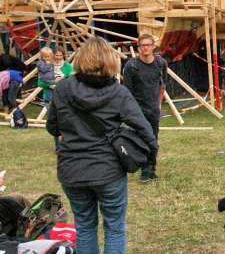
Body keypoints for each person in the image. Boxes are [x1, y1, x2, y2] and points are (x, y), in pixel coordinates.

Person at [47, 36, 157, 254]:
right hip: (108, 171)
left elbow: (52, 127)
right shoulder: (117, 92)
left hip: (72, 168)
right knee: (114, 227)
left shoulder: (63, 88)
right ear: (110, 60)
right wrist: (148, 156)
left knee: (85, 226)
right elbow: (146, 130)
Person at [122, 32, 167, 183]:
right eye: (143, 45)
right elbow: (126, 91)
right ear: (139, 47)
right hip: (137, 109)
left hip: (153, 107)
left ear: (153, 46)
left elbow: (162, 85)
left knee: (153, 139)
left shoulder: (160, 63)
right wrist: (131, 110)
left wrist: (159, 103)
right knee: (140, 139)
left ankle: (151, 168)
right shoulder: (131, 66)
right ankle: (144, 169)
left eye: (148, 45)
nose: (146, 48)